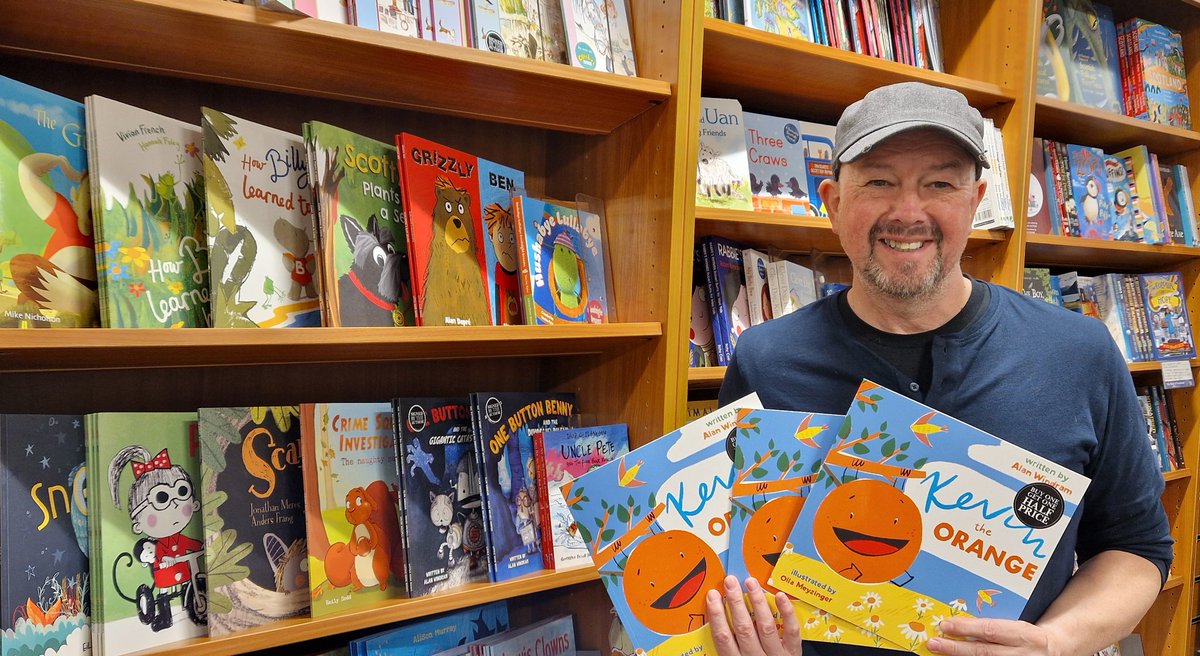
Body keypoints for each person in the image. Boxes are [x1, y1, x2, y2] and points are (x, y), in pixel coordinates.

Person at [712, 82, 1174, 656]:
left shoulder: (1078, 351)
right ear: (832, 202)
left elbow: (1136, 547)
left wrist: (1053, 643)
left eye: (940, 183)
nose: (909, 213)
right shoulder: (765, 359)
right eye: (879, 180)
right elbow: (728, 558)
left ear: (976, 200)